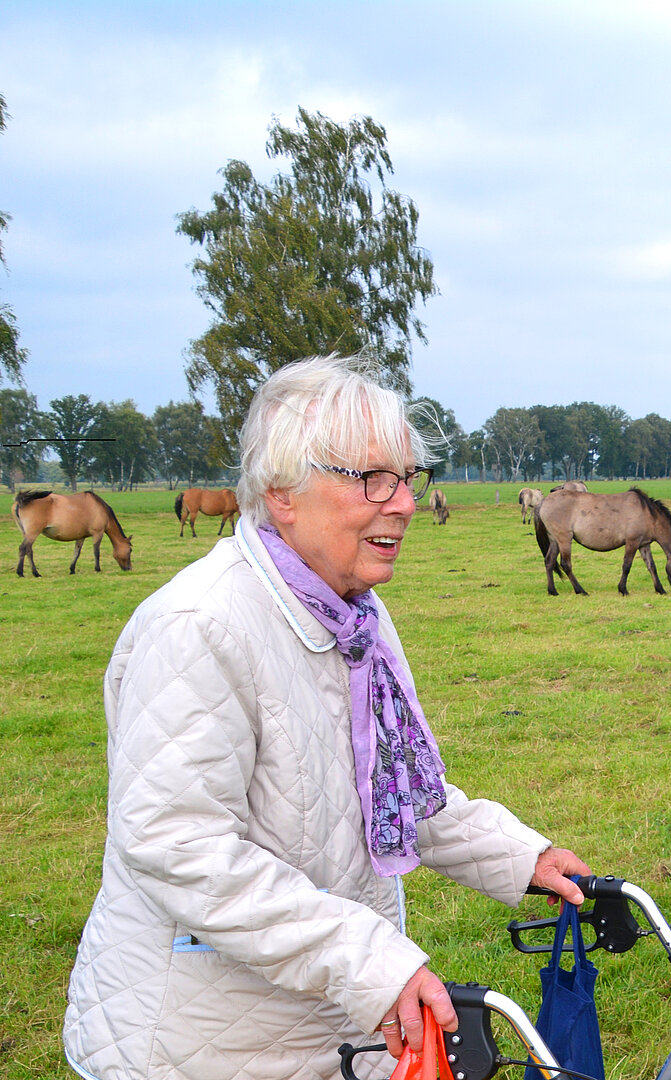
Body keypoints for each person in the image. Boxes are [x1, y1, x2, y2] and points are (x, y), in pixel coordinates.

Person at [64, 356, 588, 1079]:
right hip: (203, 1047)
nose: (403, 502)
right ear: (282, 492)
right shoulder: (199, 626)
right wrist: (367, 960)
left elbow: (394, 790)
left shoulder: (355, 616)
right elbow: (176, 845)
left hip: (326, 1028)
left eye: (407, 477)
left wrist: (519, 857)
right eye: (372, 478)